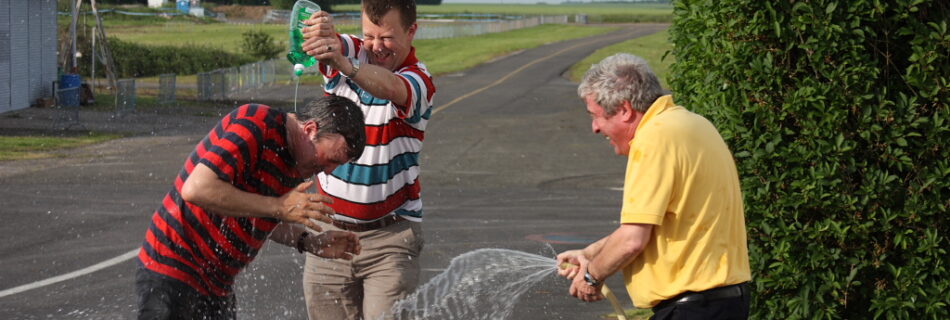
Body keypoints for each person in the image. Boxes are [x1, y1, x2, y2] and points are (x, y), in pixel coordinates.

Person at [556, 53, 752, 319]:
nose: (595, 128)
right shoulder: (691, 124)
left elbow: (632, 240)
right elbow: (654, 224)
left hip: (692, 309)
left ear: (624, 110)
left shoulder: (653, 139)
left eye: (596, 116)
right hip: (722, 302)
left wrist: (591, 277)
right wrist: (589, 253)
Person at [135, 96, 366, 320]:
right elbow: (196, 189)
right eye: (330, 160)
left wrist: (309, 241)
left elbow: (258, 213)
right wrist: (278, 206)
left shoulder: (297, 161)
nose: (328, 171)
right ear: (309, 130)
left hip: (216, 285)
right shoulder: (257, 123)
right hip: (172, 264)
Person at [298, 0, 435, 319]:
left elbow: (391, 88)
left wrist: (348, 66)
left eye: (387, 37)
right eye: (369, 36)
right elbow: (330, 41)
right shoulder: (351, 49)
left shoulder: (419, 78)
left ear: (411, 31)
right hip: (327, 233)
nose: (376, 47)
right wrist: (319, 29)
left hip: (390, 239)